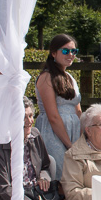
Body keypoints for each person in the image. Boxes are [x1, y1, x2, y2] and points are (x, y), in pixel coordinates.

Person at [34, 34, 83, 178]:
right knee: (59, 175)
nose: (71, 55)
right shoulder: (46, 77)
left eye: (74, 51)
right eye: (66, 51)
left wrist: (80, 140)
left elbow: (78, 110)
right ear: (53, 53)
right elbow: (53, 116)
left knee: (75, 177)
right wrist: (69, 145)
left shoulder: (70, 78)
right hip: (54, 133)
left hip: (73, 132)